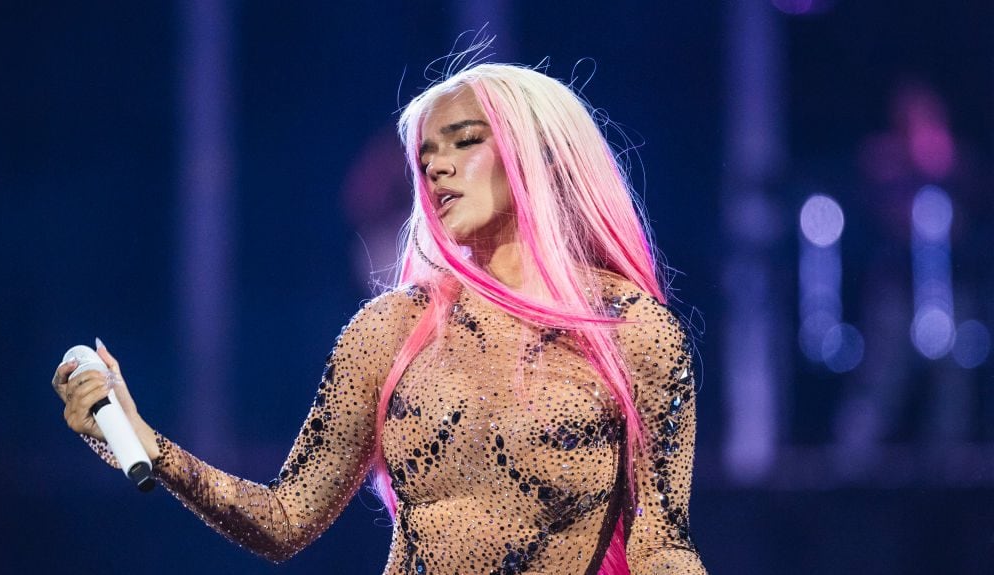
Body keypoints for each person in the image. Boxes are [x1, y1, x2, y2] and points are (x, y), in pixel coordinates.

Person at [53, 61, 707, 574]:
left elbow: (663, 547)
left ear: (536, 153)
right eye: (426, 154)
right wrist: (147, 443)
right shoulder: (391, 330)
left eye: (463, 142)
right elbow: (286, 517)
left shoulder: (634, 333)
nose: (435, 165)